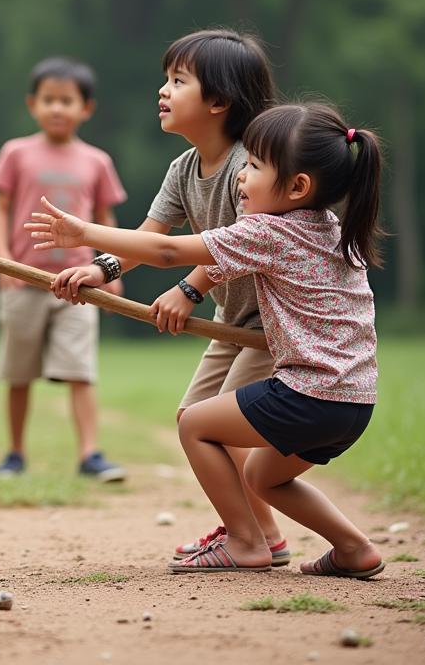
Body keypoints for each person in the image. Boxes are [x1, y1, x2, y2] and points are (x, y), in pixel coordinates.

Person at [29, 102, 384, 578]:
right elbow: (205, 255)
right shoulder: (329, 229)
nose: (242, 176)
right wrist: (162, 283)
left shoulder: (271, 230)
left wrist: (83, 232)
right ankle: (353, 549)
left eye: (255, 166)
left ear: (298, 186)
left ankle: (245, 542)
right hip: (355, 403)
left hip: (309, 392)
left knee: (196, 424)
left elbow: (168, 249)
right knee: (261, 476)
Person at [49, 30, 287, 564]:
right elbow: (152, 236)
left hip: (269, 324)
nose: (163, 90)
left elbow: (241, 244)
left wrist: (189, 288)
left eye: (178, 81)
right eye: (166, 79)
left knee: (215, 426)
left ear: (219, 102)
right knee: (196, 415)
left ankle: (246, 541)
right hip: (234, 317)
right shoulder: (184, 169)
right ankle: (258, 534)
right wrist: (101, 269)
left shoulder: (251, 165)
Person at [0, 56, 128, 482]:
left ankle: (90, 454)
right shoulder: (16, 153)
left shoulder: (97, 161)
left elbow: (106, 218)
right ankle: (14, 454)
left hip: (79, 283)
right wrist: (1, 262)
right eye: (48, 100)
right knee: (18, 372)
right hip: (23, 280)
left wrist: (111, 269)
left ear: (87, 108)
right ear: (32, 104)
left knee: (80, 371)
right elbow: (0, 209)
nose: (57, 109)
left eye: (67, 101)